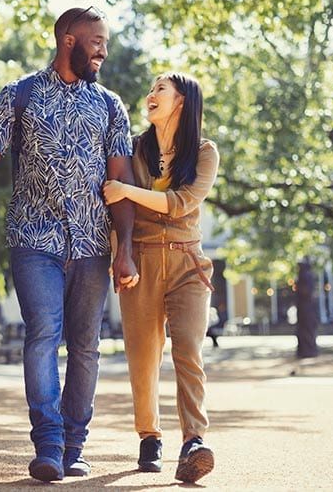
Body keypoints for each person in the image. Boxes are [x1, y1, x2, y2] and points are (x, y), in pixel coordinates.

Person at [0, 6, 139, 482]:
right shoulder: (18, 96)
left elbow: (120, 182)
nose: (103, 50)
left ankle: (74, 447)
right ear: (68, 40)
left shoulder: (109, 106)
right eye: (96, 40)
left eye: (105, 42)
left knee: (85, 346)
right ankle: (49, 445)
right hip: (33, 237)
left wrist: (125, 248)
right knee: (43, 335)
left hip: (91, 242)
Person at [103, 72, 219, 483]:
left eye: (160, 89)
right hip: (141, 261)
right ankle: (149, 435)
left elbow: (182, 203)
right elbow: (118, 215)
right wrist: (122, 256)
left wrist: (126, 190)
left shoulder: (205, 152)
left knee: (188, 350)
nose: (150, 95)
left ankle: (194, 440)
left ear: (182, 101)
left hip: (189, 264)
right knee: (143, 355)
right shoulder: (133, 150)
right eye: (150, 88)